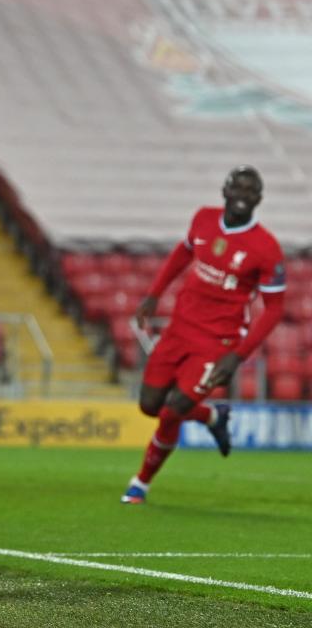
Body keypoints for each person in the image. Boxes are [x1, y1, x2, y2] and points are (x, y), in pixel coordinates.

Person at [121, 165, 286, 504]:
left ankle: (140, 483)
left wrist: (238, 355)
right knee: (150, 405)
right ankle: (213, 415)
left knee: (174, 410)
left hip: (218, 341)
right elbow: (183, 252)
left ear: (259, 199)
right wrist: (154, 294)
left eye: (250, 190)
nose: (242, 195)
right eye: (236, 188)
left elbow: (274, 309)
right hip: (179, 329)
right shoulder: (203, 219)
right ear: (225, 191)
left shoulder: (266, 248)